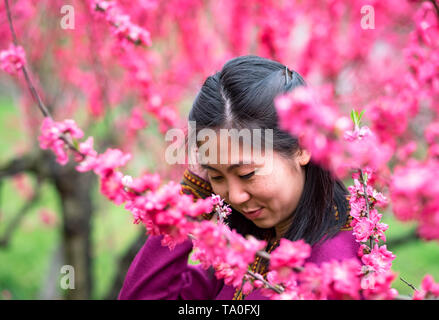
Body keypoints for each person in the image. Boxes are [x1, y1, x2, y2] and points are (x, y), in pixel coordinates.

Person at [118, 55, 360, 300]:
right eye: (216, 177)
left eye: (247, 174)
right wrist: (190, 198)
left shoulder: (333, 270)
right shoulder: (247, 253)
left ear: (302, 147)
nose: (234, 196)